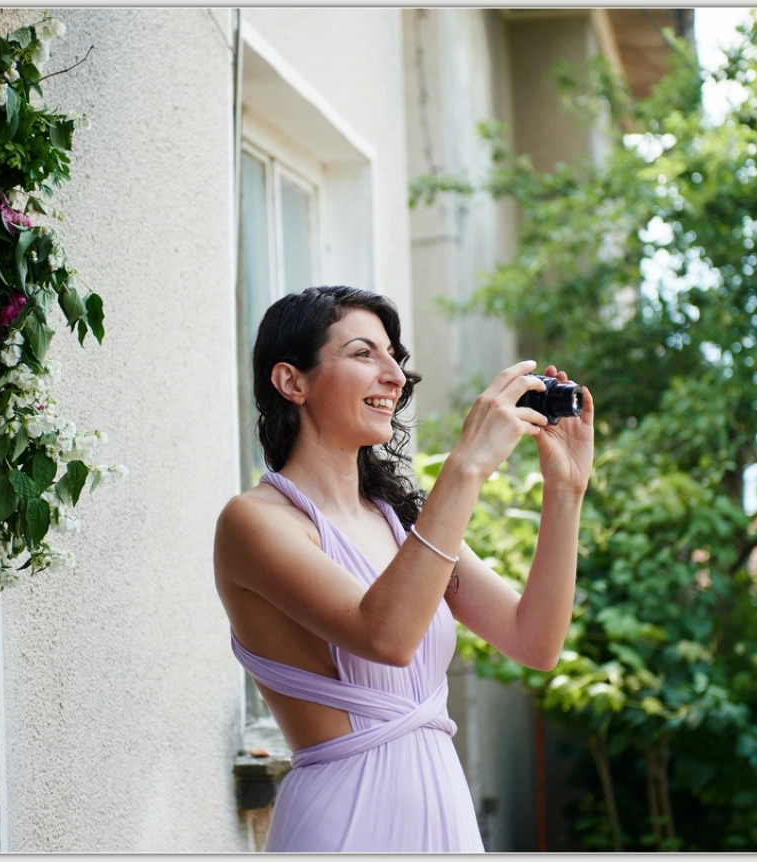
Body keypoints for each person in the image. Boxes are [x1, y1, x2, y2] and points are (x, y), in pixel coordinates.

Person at [214, 286, 595, 851]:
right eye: (364, 353)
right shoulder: (254, 523)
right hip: (345, 825)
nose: (395, 375)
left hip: (445, 821)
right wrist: (466, 466)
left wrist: (565, 492)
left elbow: (535, 641)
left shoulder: (402, 526)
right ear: (292, 381)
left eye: (395, 356)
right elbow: (386, 634)